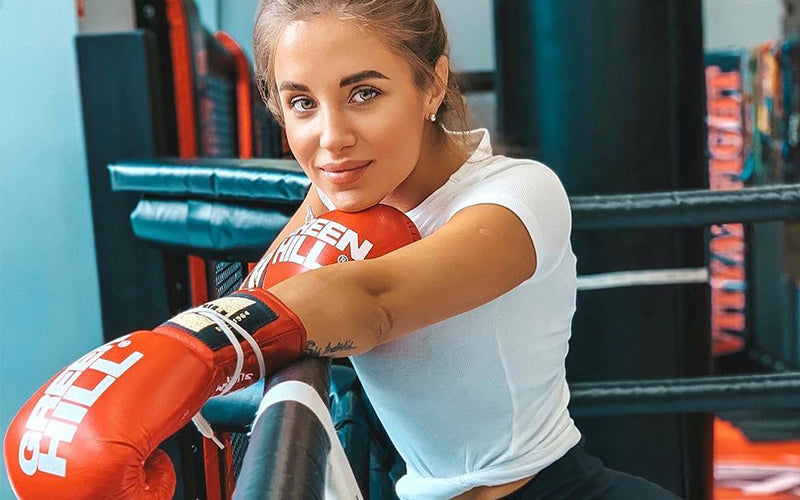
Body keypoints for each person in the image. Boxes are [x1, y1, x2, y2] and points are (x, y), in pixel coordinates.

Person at [247, 1, 684, 499]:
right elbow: (260, 290)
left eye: (363, 93)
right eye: (303, 103)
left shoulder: (520, 195)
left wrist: (190, 348)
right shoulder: (338, 194)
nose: (332, 138)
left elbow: (374, 304)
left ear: (431, 85)